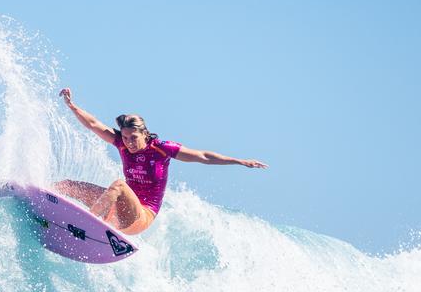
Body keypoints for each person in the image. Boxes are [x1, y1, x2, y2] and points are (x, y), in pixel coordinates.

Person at [55, 88, 268, 235]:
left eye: (133, 138)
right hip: (118, 210)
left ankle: (86, 225)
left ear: (144, 133)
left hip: (141, 217)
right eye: (126, 137)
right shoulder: (120, 142)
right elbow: (93, 124)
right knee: (68, 185)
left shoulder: (161, 149)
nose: (128, 142)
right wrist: (72, 105)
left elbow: (203, 156)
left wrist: (239, 161)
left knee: (119, 185)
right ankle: (34, 197)